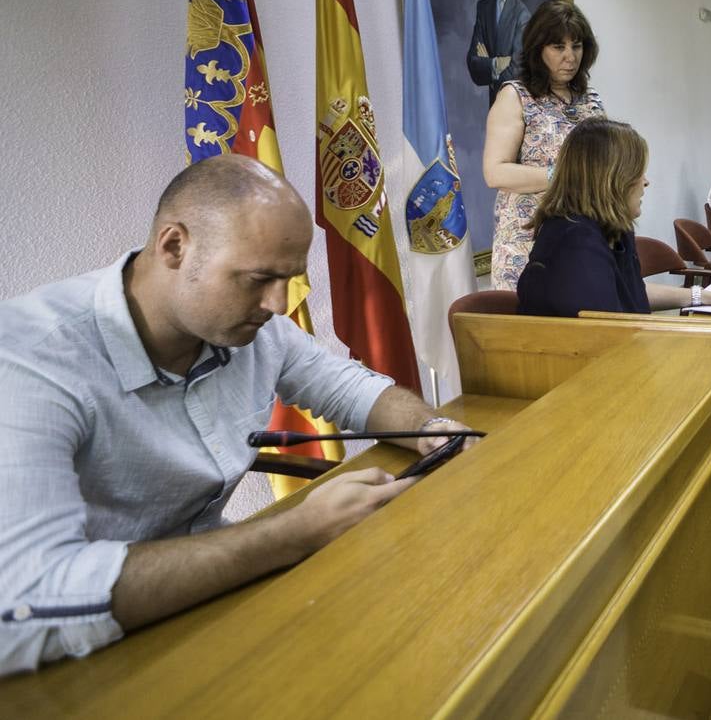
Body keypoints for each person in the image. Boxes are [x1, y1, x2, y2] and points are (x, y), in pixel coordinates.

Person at [0, 155, 469, 674]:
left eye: (288, 280)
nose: (276, 303)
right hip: (79, 663)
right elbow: (23, 604)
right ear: (174, 246)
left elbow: (350, 387)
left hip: (211, 608)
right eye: (258, 279)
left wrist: (432, 428)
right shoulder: (29, 359)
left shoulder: (252, 327)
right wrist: (295, 532)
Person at [517, 118, 711, 318]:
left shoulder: (609, 228)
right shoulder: (575, 243)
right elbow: (611, 332)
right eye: (638, 172)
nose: (646, 181)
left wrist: (704, 296)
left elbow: (630, 292)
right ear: (611, 179)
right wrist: (708, 328)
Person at [483, 0, 605, 290]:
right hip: (528, 243)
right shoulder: (516, 96)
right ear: (538, 49)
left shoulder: (591, 100)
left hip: (584, 236)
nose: (570, 57)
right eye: (558, 47)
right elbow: (495, 173)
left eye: (576, 46)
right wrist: (565, 177)